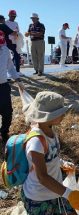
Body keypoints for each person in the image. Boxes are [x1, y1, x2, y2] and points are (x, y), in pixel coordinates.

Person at [21, 91, 79, 215]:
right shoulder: (36, 141)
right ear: (48, 117)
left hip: (56, 190)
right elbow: (42, 177)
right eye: (60, 112)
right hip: (39, 197)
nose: (63, 114)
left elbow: (50, 156)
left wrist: (61, 163)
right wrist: (70, 194)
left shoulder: (50, 131)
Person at [0, 15, 23, 146]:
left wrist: (18, 79)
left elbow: (11, 67)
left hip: (3, 86)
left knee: (7, 112)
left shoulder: (5, 50)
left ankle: (4, 133)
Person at [5, 10, 22, 75]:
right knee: (9, 57)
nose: (13, 17)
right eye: (12, 16)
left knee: (17, 56)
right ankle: (9, 72)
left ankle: (17, 71)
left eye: (14, 16)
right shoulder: (6, 23)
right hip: (8, 41)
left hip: (15, 42)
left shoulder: (16, 23)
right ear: (9, 15)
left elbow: (17, 31)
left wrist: (17, 34)